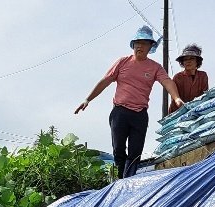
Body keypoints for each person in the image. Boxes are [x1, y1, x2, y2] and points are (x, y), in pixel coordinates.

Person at [75, 24, 183, 179]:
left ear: (150, 46)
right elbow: (105, 81)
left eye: (144, 43)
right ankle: (119, 179)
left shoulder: (155, 67)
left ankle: (128, 180)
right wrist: (88, 99)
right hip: (120, 112)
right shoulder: (123, 62)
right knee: (118, 149)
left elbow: (167, 82)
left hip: (139, 114)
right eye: (137, 43)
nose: (140, 46)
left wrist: (176, 97)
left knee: (135, 152)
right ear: (133, 45)